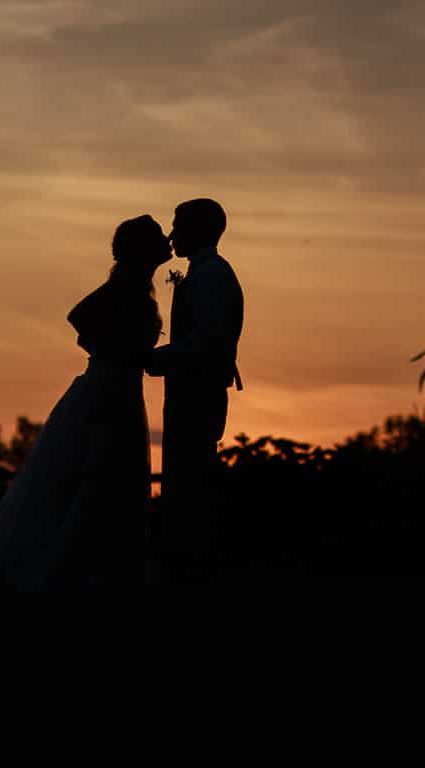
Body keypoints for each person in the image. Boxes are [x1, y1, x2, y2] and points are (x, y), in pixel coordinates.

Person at [0, 215, 172, 591]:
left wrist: (111, 350)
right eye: (160, 236)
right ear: (144, 248)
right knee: (93, 474)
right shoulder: (126, 285)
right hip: (108, 392)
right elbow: (80, 317)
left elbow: (88, 323)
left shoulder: (135, 286)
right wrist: (116, 353)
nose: (168, 240)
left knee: (102, 479)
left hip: (118, 389)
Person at [145, 198, 244, 585]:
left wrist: (153, 359)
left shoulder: (212, 276)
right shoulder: (204, 273)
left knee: (190, 486)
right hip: (188, 395)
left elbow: (207, 343)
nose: (171, 235)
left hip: (198, 397)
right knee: (182, 484)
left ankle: (189, 572)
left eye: (178, 226)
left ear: (201, 229)